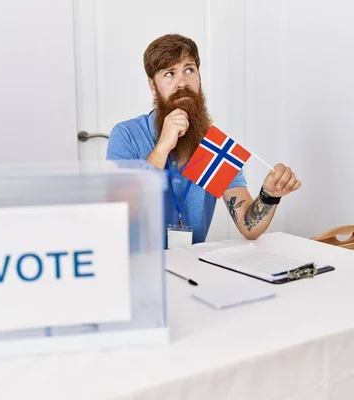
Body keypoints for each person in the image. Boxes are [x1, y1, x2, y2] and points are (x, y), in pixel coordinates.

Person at [106, 33, 301, 246]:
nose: (182, 82)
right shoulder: (126, 135)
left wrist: (269, 196)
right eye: (170, 74)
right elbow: (119, 213)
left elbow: (248, 226)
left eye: (189, 70)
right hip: (139, 265)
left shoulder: (214, 146)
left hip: (191, 268)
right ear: (153, 86)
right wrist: (162, 148)